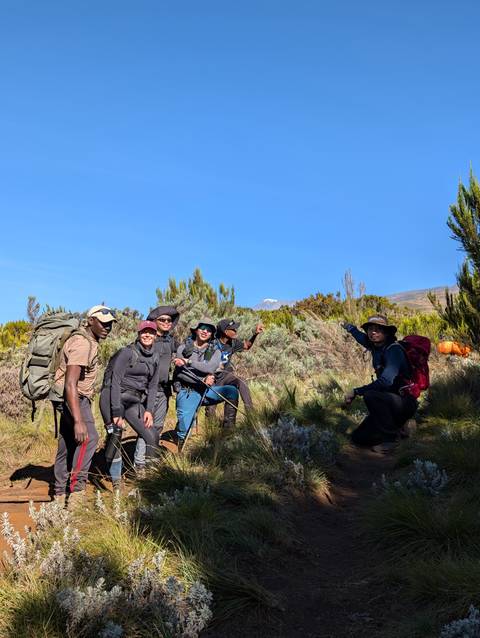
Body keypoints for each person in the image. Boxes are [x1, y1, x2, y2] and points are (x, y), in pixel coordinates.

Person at [52, 305, 116, 506]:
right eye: (103, 323)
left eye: (110, 324)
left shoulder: (86, 341)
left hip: (66, 397)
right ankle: (77, 494)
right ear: (90, 321)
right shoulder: (82, 343)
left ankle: (59, 494)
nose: (107, 328)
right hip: (74, 397)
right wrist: (79, 420)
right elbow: (71, 383)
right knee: (89, 438)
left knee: (68, 443)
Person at [100, 320, 160, 487]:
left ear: (155, 335)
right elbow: (115, 382)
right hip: (113, 397)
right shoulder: (127, 352)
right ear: (139, 334)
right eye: (144, 332)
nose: (147, 335)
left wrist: (149, 410)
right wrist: (117, 411)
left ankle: (147, 480)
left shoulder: (156, 357)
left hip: (133, 400)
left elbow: (154, 385)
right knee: (115, 435)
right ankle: (116, 483)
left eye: (151, 332)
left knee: (152, 435)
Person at [343, 315, 417, 449]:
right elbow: (360, 337)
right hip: (388, 402)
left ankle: (391, 440)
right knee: (358, 438)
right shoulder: (375, 345)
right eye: (370, 329)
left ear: (386, 332)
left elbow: (386, 381)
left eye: (378, 329)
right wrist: (349, 327)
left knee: (370, 395)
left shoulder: (394, 350)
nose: (373, 332)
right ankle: (400, 427)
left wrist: (356, 391)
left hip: (404, 402)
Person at [173, 318, 239, 449]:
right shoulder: (183, 348)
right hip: (188, 392)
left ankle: (228, 430)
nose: (205, 332)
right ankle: (181, 449)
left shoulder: (215, 351)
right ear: (196, 330)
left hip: (207, 391)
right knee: (184, 432)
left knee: (232, 391)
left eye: (209, 330)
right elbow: (181, 374)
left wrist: (189, 363)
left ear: (212, 334)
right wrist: (202, 378)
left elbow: (210, 368)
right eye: (202, 328)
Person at [133, 305, 180, 471]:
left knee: (158, 427)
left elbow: (185, 351)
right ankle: (140, 465)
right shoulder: (146, 340)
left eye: (170, 320)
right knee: (146, 427)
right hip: (145, 391)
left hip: (164, 390)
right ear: (154, 321)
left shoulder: (171, 341)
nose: (167, 323)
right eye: (163, 320)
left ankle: (150, 462)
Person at [205, 319, 264, 424]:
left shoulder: (233, 343)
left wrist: (255, 334)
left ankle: (250, 416)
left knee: (241, 381)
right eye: (233, 329)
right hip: (213, 378)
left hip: (226, 376)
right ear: (225, 332)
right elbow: (205, 363)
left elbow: (247, 346)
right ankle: (211, 429)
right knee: (210, 411)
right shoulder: (212, 344)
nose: (236, 331)